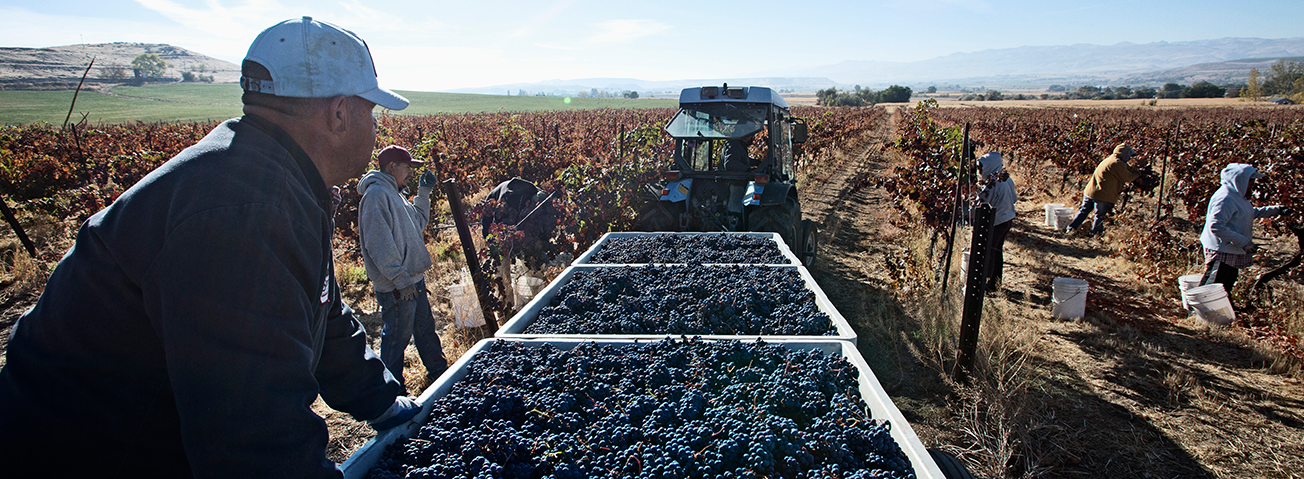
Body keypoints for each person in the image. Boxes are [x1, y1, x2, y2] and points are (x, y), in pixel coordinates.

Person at [0, 17, 420, 477]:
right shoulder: (243, 212)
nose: (376, 128)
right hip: (83, 456)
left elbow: (324, 314)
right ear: (339, 113)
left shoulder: (272, 177)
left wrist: (384, 402)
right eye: (372, 112)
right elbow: (254, 439)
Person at [358, 145, 448, 387]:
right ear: (391, 167)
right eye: (408, 167)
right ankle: (390, 390)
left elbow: (417, 222)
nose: (411, 172)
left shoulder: (395, 194)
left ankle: (440, 372)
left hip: (412, 279)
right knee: (397, 337)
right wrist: (400, 279)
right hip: (398, 286)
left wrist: (424, 192)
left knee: (425, 328)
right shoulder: (376, 195)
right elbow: (378, 244)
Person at [1198, 163, 1292, 290]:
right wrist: (1244, 242)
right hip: (1222, 250)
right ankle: (1197, 309)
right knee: (1212, 287)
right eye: (1250, 180)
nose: (1252, 184)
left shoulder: (1238, 196)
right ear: (1239, 180)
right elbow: (1216, 226)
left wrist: (1276, 210)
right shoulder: (1226, 199)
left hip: (1230, 249)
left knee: (1225, 285)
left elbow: (1248, 213)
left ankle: (1220, 309)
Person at [1065, 143, 1140, 237]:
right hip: (1102, 195)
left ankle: (1071, 228)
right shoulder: (1117, 163)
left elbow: (1127, 168)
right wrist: (1138, 174)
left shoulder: (1111, 159)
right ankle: (1096, 235)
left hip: (1090, 191)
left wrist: (1134, 169)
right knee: (1099, 216)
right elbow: (1127, 177)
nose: (1129, 158)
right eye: (1129, 156)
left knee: (1083, 210)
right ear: (1125, 154)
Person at [977, 151, 1018, 293]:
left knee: (990, 251)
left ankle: (988, 283)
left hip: (997, 222)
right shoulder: (1007, 180)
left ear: (989, 167)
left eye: (981, 167)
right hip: (1007, 220)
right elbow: (1014, 199)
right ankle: (996, 282)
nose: (979, 171)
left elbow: (981, 204)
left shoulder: (992, 185)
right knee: (997, 250)